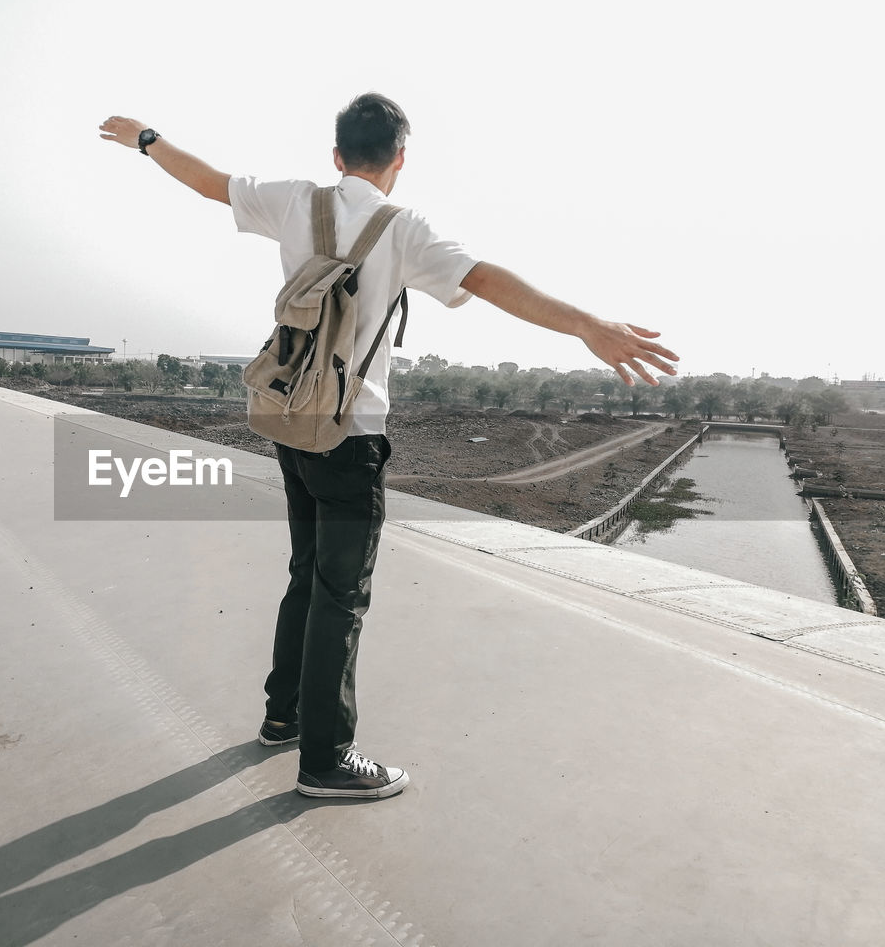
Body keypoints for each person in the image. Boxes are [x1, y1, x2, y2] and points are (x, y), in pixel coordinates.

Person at [99, 94, 679, 800]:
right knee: (342, 597)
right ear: (399, 159)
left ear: (336, 155)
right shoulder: (404, 230)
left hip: (290, 420)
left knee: (305, 576)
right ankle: (327, 759)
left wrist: (146, 138)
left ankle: (282, 718)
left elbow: (207, 180)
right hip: (351, 436)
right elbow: (487, 281)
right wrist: (587, 324)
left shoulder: (291, 201)